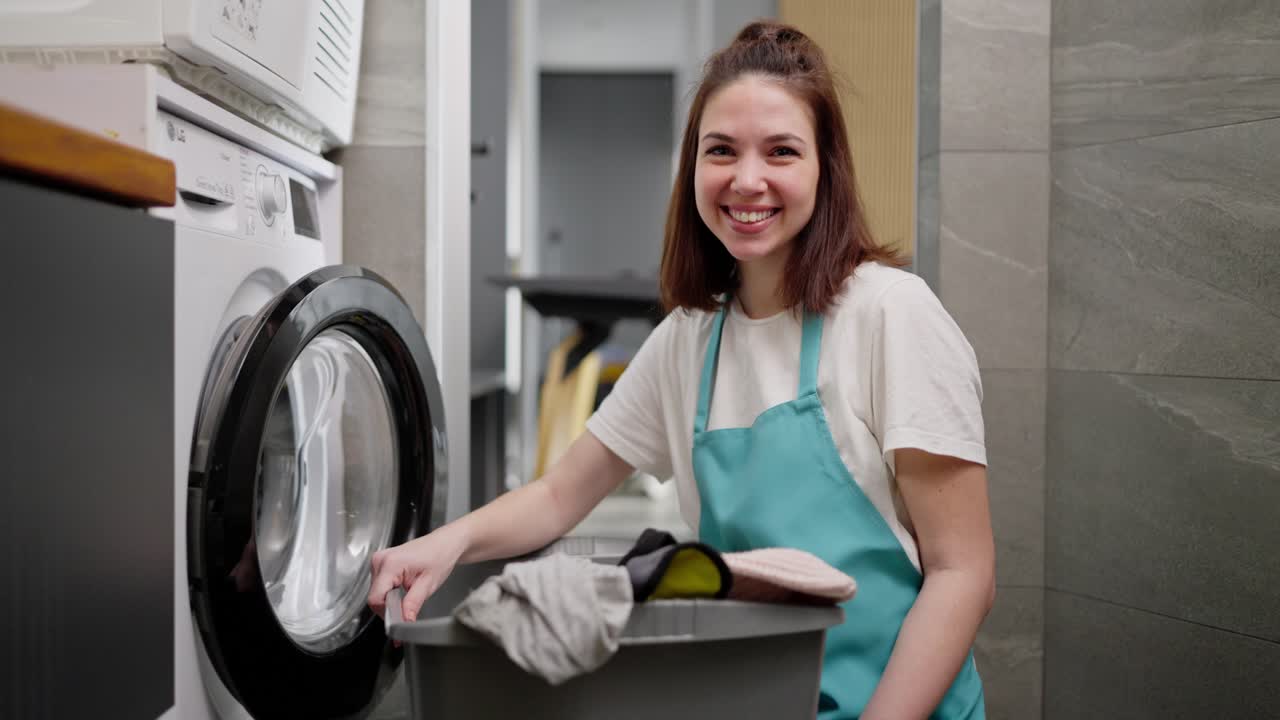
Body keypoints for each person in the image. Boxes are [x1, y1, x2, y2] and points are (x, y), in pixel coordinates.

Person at [369, 20, 993, 720]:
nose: (746, 179)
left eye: (781, 151)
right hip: (763, 699)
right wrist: (444, 543)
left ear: (826, 166)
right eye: (720, 150)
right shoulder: (688, 341)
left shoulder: (891, 316)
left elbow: (962, 572)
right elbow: (557, 497)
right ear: (692, 167)